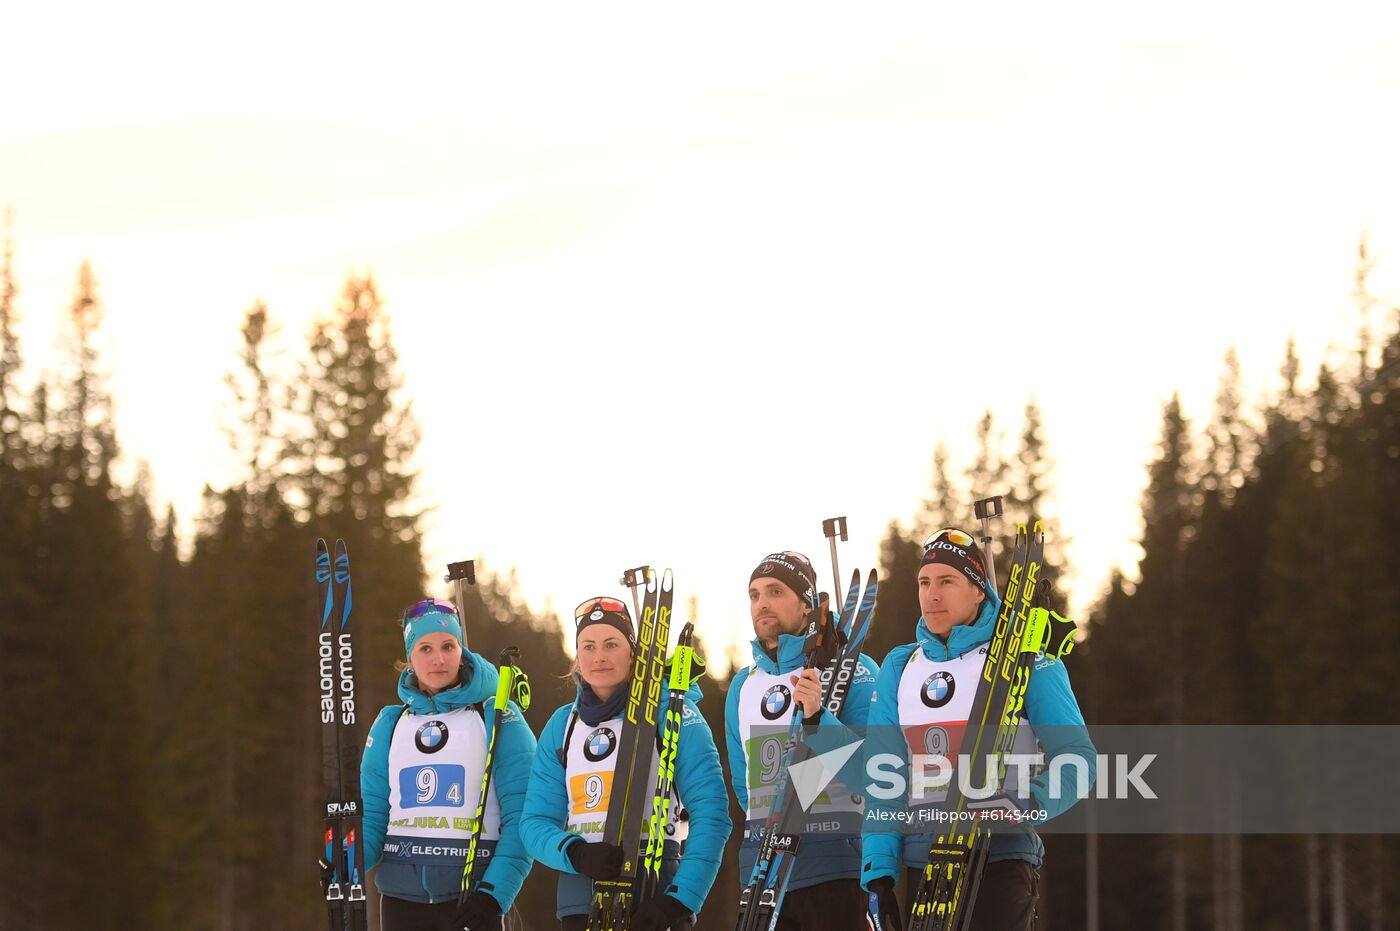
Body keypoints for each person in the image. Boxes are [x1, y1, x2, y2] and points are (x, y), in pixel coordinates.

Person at [861, 529, 1097, 931]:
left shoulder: (1028, 660)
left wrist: (1026, 802)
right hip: (925, 862)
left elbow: (1079, 759)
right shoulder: (901, 668)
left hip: (1000, 857)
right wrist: (879, 877)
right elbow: (883, 779)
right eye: (924, 582)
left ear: (977, 590)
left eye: (947, 581)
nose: (932, 594)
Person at [521, 595, 729, 930]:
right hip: (580, 900)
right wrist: (574, 853)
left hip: (656, 898)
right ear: (577, 656)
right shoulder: (564, 725)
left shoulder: (673, 714)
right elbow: (534, 823)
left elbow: (712, 814)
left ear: (633, 652)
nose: (599, 656)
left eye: (611, 644)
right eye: (587, 646)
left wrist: (679, 899)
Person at [725, 551, 880, 929]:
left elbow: (877, 775)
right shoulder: (743, 687)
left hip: (836, 872)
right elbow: (745, 787)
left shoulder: (855, 671)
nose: (761, 603)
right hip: (765, 877)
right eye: (754, 594)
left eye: (775, 591)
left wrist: (817, 718)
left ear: (807, 604)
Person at [360, 598, 537, 930]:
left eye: (448, 646)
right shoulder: (390, 724)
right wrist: (346, 861)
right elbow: (373, 820)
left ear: (461, 650)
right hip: (401, 904)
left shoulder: (498, 716)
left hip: (473, 901)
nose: (438, 659)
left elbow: (523, 818)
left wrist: (493, 895)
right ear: (409, 659)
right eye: (425, 648)